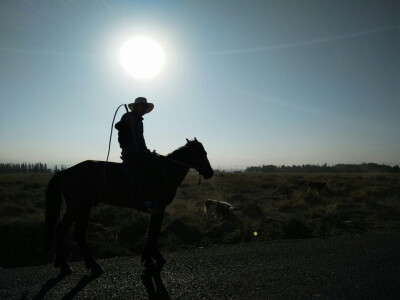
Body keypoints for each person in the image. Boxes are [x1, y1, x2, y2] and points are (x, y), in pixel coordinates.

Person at [115, 97, 162, 212]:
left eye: (146, 106)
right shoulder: (128, 117)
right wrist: (126, 123)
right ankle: (143, 201)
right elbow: (118, 127)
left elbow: (141, 140)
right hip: (130, 153)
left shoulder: (139, 121)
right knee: (147, 170)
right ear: (136, 107)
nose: (145, 108)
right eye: (143, 106)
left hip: (139, 152)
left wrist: (146, 150)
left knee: (157, 163)